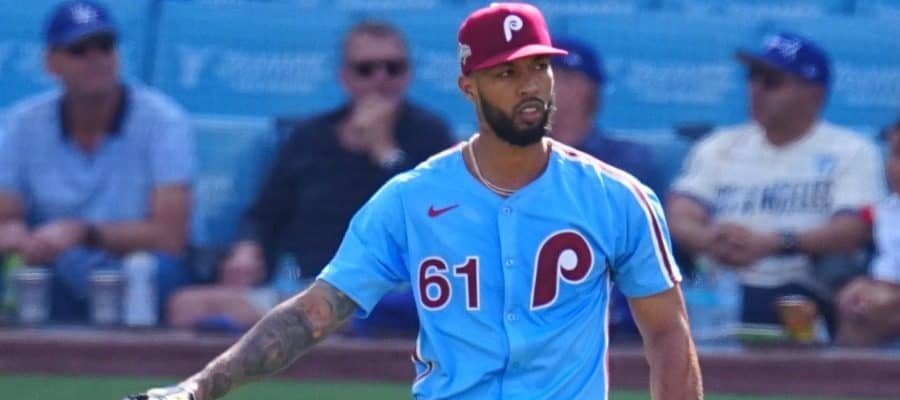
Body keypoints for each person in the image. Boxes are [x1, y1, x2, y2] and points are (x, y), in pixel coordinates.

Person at [131, 3, 701, 400]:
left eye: (539, 67)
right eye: (506, 73)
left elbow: (668, 333)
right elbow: (316, 312)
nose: (529, 85)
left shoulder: (617, 197)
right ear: (469, 86)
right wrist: (199, 387)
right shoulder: (412, 198)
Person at [166, 20, 455, 332]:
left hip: (389, 292)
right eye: (366, 69)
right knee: (185, 306)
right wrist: (248, 249)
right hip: (302, 283)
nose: (380, 79)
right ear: (345, 78)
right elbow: (264, 214)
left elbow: (435, 220)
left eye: (393, 68)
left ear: (408, 75)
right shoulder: (308, 137)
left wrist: (385, 152)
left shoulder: (431, 134)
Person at [666, 32, 885, 336]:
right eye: (753, 77)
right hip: (720, 291)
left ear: (814, 94)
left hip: (804, 289)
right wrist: (710, 239)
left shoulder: (851, 151)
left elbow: (854, 230)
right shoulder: (719, 145)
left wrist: (774, 242)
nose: (756, 89)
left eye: (771, 81)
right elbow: (679, 213)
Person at [0, 0, 194, 323]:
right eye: (79, 50)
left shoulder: (164, 121)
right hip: (53, 263)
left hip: (134, 265)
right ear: (51, 63)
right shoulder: (23, 123)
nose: (96, 59)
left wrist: (83, 233)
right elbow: (6, 216)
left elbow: (171, 237)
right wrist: (16, 234)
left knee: (155, 271)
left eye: (104, 46)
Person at [550, 36, 664, 340]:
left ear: (585, 88)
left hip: (609, 312)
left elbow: (642, 250)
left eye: (553, 75)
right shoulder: (509, 159)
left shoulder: (625, 162)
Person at [836, 120, 900, 346]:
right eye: (895, 155)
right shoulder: (886, 212)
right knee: (856, 303)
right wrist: (862, 288)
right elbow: (886, 275)